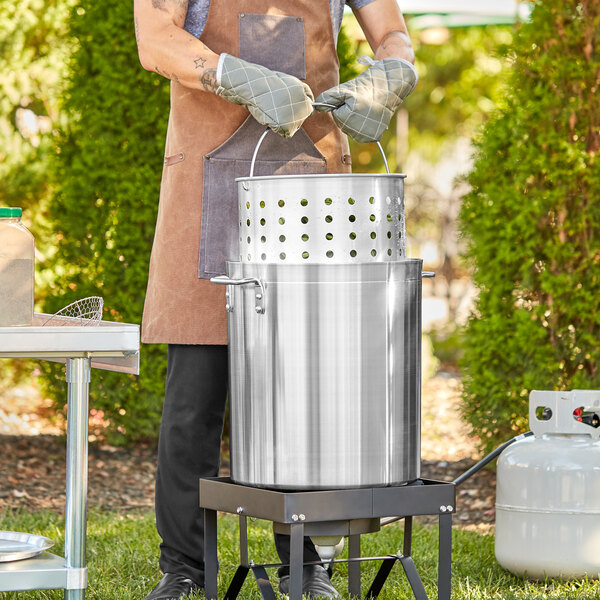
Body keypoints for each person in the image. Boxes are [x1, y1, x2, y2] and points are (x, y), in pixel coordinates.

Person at [133, 1, 416, 598]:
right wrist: (237, 76)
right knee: (194, 401)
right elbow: (154, 38)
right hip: (208, 187)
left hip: (308, 185)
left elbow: (391, 32)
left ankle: (307, 565)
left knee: (306, 398)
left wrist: (390, 72)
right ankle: (186, 569)